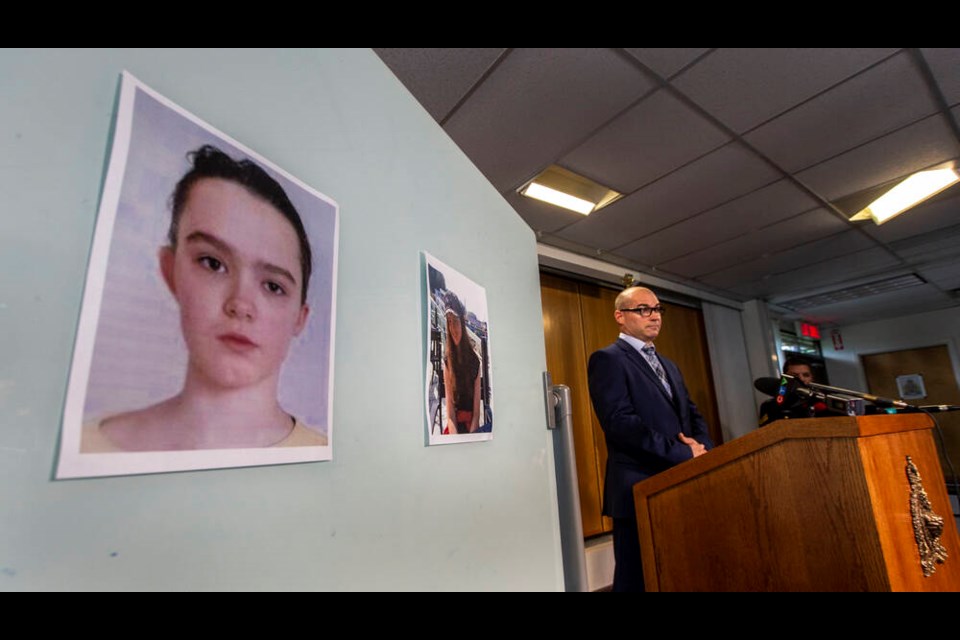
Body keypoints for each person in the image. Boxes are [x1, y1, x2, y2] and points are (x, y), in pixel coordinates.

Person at [82, 145, 326, 452]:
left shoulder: (326, 454)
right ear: (171, 272)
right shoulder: (87, 445)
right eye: (213, 263)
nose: (240, 305)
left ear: (299, 318)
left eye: (273, 286)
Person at [587, 286, 714, 592]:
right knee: (636, 578)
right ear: (620, 316)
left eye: (657, 309)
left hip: (680, 482)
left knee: (676, 569)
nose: (654, 316)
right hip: (638, 485)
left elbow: (692, 414)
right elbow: (621, 424)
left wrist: (704, 450)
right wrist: (684, 453)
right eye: (643, 309)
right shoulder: (608, 359)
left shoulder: (669, 364)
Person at [442, 291, 481, 434]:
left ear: (463, 323)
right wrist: (456, 439)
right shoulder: (447, 362)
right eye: (449, 322)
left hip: (471, 425)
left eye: (456, 321)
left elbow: (477, 415)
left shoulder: (475, 363)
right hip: (454, 426)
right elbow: (450, 414)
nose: (453, 328)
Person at [758, 356, 826, 426]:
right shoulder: (770, 406)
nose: (802, 379)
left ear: (812, 378)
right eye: (795, 376)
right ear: (785, 378)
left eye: (806, 375)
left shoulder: (822, 404)